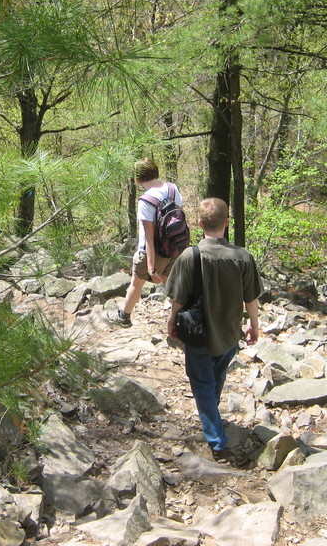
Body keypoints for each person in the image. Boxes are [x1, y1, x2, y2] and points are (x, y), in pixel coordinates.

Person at [164, 198, 262, 466]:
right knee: (214, 378)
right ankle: (213, 420)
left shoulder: (189, 256)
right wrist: (254, 324)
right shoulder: (242, 257)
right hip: (230, 334)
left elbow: (178, 297)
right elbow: (251, 298)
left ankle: (217, 442)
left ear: (199, 224)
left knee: (203, 384)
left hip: (198, 334)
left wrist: (172, 321)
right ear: (227, 223)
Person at [106, 158, 184, 328]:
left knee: (136, 283)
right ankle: (183, 320)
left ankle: (124, 316)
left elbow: (149, 236)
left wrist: (150, 267)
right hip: (175, 247)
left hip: (152, 251)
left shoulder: (146, 200)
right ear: (156, 172)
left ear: (139, 180)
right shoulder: (173, 189)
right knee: (171, 285)